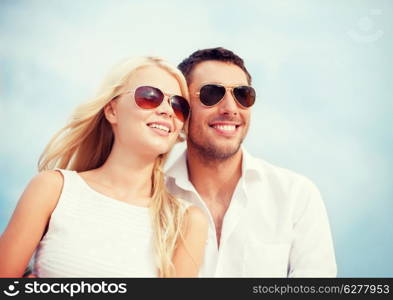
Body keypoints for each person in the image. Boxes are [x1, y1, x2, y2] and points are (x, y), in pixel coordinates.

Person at [0, 56, 208, 278]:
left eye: (178, 105)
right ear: (112, 110)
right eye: (150, 96)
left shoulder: (187, 221)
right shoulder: (52, 189)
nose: (167, 110)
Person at [164, 47, 337, 277]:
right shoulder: (152, 192)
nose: (230, 109)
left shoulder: (296, 196)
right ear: (182, 108)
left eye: (242, 95)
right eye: (211, 94)